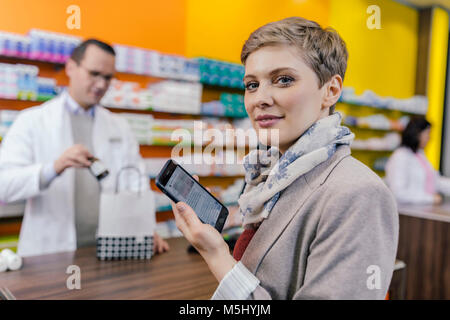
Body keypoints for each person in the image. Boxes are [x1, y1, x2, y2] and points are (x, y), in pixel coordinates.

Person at [170, 17, 399, 300]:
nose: (259, 99)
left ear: (331, 90)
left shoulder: (358, 194)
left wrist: (217, 255)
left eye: (284, 80)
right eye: (252, 84)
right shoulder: (270, 177)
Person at [0, 39, 169, 257]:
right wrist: (54, 168)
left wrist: (144, 229)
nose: (101, 85)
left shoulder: (119, 126)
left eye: (108, 77)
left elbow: (134, 184)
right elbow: (4, 184)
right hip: (50, 252)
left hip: (107, 250)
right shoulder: (32, 121)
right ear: (71, 67)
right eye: (94, 73)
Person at [385, 116, 450, 205]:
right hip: (408, 213)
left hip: (422, 209)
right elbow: (398, 193)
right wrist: (430, 198)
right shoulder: (400, 156)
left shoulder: (419, 154)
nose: (429, 138)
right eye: (427, 133)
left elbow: (435, 181)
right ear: (417, 134)